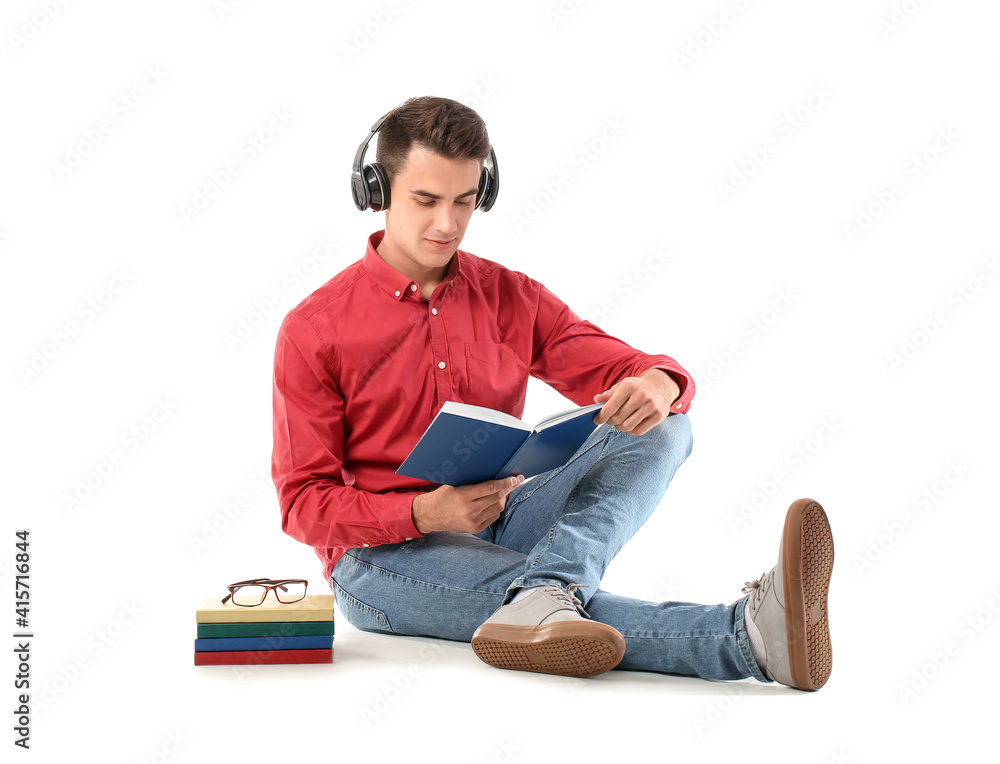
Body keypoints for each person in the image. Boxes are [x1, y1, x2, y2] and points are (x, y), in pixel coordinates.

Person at [270, 96, 834, 690]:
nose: (447, 223)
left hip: (504, 514)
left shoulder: (510, 296)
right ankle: (746, 637)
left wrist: (658, 382)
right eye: (426, 200)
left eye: (464, 200)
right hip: (379, 561)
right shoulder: (315, 329)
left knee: (664, 422)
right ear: (377, 190)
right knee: (539, 608)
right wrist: (423, 512)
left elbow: (632, 368)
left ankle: (546, 590)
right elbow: (301, 503)